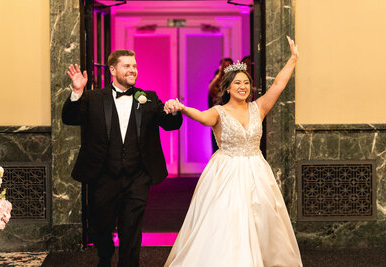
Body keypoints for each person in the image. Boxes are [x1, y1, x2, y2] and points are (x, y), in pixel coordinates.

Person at [164, 36, 302, 267]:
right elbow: (202, 117)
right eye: (237, 83)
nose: (243, 87)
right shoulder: (218, 111)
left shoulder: (259, 108)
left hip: (257, 170)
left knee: (263, 219)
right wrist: (183, 107)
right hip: (226, 172)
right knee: (229, 221)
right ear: (227, 87)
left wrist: (293, 59)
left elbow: (278, 85)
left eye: (246, 83)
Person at [62, 49, 183, 267]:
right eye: (127, 66)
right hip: (103, 177)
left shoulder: (149, 98)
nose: (132, 70)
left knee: (132, 229)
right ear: (112, 69)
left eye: (134, 66)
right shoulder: (93, 98)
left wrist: (173, 111)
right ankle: (105, 254)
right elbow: (70, 118)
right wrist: (77, 92)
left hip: (137, 177)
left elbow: (170, 124)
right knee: (100, 226)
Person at [208, 58, 233, 153]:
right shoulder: (217, 79)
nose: (226, 68)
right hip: (217, 118)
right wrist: (219, 74)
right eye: (224, 66)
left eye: (228, 66)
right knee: (216, 148)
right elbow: (211, 89)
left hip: (230, 117)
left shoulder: (234, 82)